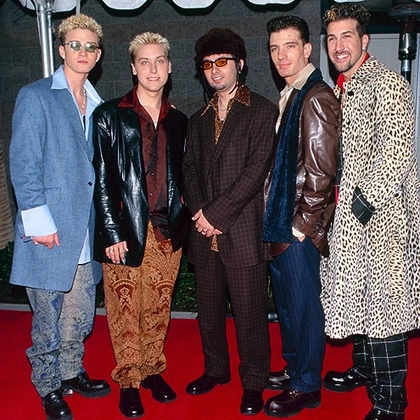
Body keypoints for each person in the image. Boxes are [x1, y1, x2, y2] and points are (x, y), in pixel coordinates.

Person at [9, 14, 110, 420]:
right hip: (49, 231)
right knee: (47, 319)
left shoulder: (98, 104)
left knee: (79, 315)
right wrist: (39, 222)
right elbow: (24, 165)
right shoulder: (36, 96)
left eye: (90, 46)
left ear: (98, 55)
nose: (82, 52)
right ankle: (48, 385)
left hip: (84, 231)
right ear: (61, 49)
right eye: (75, 45)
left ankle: (71, 373)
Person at [321, 4, 420, 420]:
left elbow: (396, 153)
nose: (338, 45)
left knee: (384, 309)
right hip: (349, 217)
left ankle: (391, 402)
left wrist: (358, 207)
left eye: (347, 36)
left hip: (381, 222)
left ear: (364, 40)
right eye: (332, 38)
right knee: (358, 298)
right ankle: (365, 368)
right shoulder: (342, 86)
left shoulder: (388, 83)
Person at [92, 32, 189, 418]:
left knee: (159, 307)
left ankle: (151, 370)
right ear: (133, 68)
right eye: (144, 62)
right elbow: (101, 179)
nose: (152, 69)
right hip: (125, 230)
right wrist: (111, 232)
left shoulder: (179, 120)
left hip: (167, 229)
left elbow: (184, 174)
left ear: (169, 67)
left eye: (159, 61)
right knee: (124, 309)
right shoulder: (109, 115)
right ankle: (129, 380)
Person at [182, 27, 278, 416]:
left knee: (250, 316)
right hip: (204, 234)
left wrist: (215, 215)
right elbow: (188, 170)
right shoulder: (197, 119)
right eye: (207, 65)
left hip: (242, 232)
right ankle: (216, 370)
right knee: (208, 314)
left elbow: (256, 171)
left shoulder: (263, 111)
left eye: (222, 62)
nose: (215, 70)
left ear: (240, 64)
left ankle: (254, 382)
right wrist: (202, 215)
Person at [262, 15, 339, 418]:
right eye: (274, 48)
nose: (281, 55)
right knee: (289, 306)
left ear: (307, 49)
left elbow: (322, 171)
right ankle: (295, 369)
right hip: (281, 220)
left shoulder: (316, 95)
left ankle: (307, 385)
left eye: (289, 46)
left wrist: (301, 227)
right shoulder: (292, 92)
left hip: (295, 225)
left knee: (304, 307)